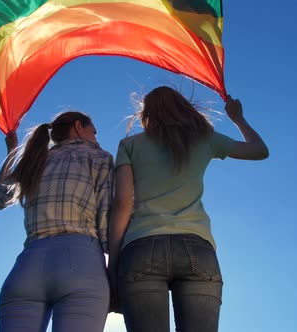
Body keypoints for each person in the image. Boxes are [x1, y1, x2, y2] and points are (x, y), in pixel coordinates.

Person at [107, 86, 269, 332]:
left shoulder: (129, 144)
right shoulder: (204, 139)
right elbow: (259, 151)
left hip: (141, 246)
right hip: (197, 248)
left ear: (147, 113)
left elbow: (122, 204)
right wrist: (238, 118)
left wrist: (113, 266)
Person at [0, 112, 114, 332]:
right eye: (93, 132)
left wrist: (13, 152)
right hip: (80, 261)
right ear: (78, 127)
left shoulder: (35, 161)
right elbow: (106, 224)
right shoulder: (99, 157)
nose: (96, 139)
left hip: (27, 267)